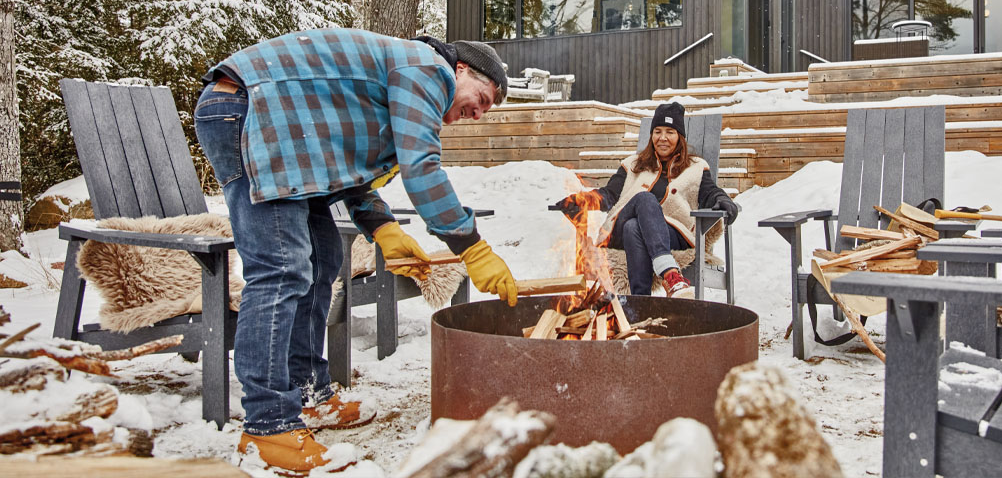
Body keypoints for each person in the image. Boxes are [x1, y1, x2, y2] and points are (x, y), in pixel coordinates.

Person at [194, 29, 518, 474]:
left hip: (288, 133)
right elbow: (420, 164)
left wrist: (383, 228)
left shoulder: (403, 80)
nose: (479, 113)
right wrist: (471, 247)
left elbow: (349, 167)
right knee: (282, 268)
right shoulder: (427, 68)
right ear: (461, 69)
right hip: (250, 110)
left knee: (324, 258)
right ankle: (267, 424)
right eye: (484, 97)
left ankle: (308, 394)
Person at [552, 101, 739, 299]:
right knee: (644, 199)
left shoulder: (695, 167)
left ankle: (640, 303)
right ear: (651, 136)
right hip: (618, 232)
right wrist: (583, 198)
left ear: (680, 137)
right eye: (657, 131)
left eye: (670, 132)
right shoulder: (632, 165)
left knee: (634, 227)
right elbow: (609, 194)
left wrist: (724, 200)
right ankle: (670, 274)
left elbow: (711, 192)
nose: (663, 138)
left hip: (672, 233)